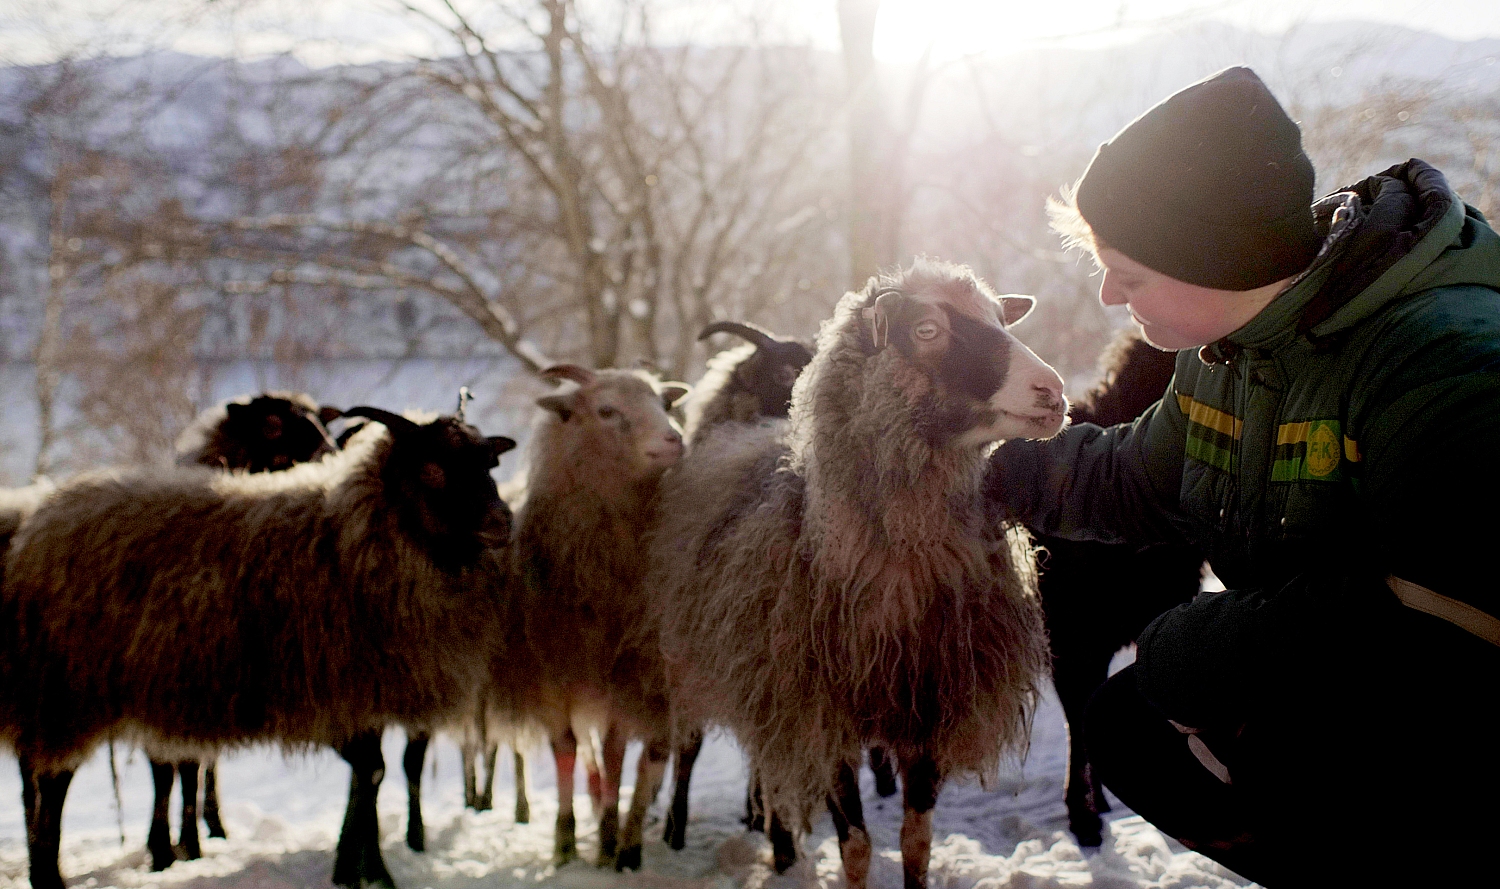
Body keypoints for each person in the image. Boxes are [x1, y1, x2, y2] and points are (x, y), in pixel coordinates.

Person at [987, 65, 1500, 886]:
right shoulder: (1230, 352)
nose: (1109, 294)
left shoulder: (1439, 361)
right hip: (1339, 689)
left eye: (1129, 271)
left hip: (1450, 717)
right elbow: (1137, 476)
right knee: (1128, 724)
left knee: (1227, 717)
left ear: (1211, 256)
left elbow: (1443, 627)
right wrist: (984, 471)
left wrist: (1191, 645)